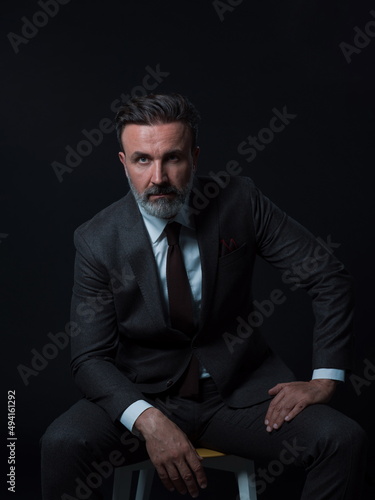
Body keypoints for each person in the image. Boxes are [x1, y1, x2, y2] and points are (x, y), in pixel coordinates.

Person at [41, 93, 367, 500]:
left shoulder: (239, 201)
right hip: (145, 393)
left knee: (341, 439)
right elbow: (88, 358)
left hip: (240, 398)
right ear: (124, 163)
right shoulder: (97, 240)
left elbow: (328, 276)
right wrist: (148, 419)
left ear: (194, 157)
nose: (158, 177)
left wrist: (325, 379)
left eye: (172, 158)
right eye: (143, 159)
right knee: (63, 444)